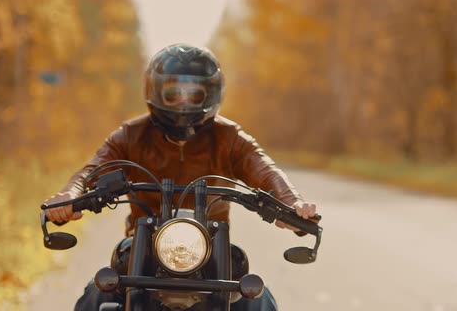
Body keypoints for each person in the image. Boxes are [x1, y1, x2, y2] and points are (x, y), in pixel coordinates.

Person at [43, 43, 317, 311]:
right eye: (173, 93)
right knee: (96, 294)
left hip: (210, 248)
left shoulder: (229, 137)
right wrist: (72, 195)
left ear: (210, 95)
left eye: (194, 94)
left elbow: (265, 170)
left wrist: (292, 204)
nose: (183, 102)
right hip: (145, 248)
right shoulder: (131, 135)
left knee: (258, 299)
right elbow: (94, 170)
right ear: (156, 92)